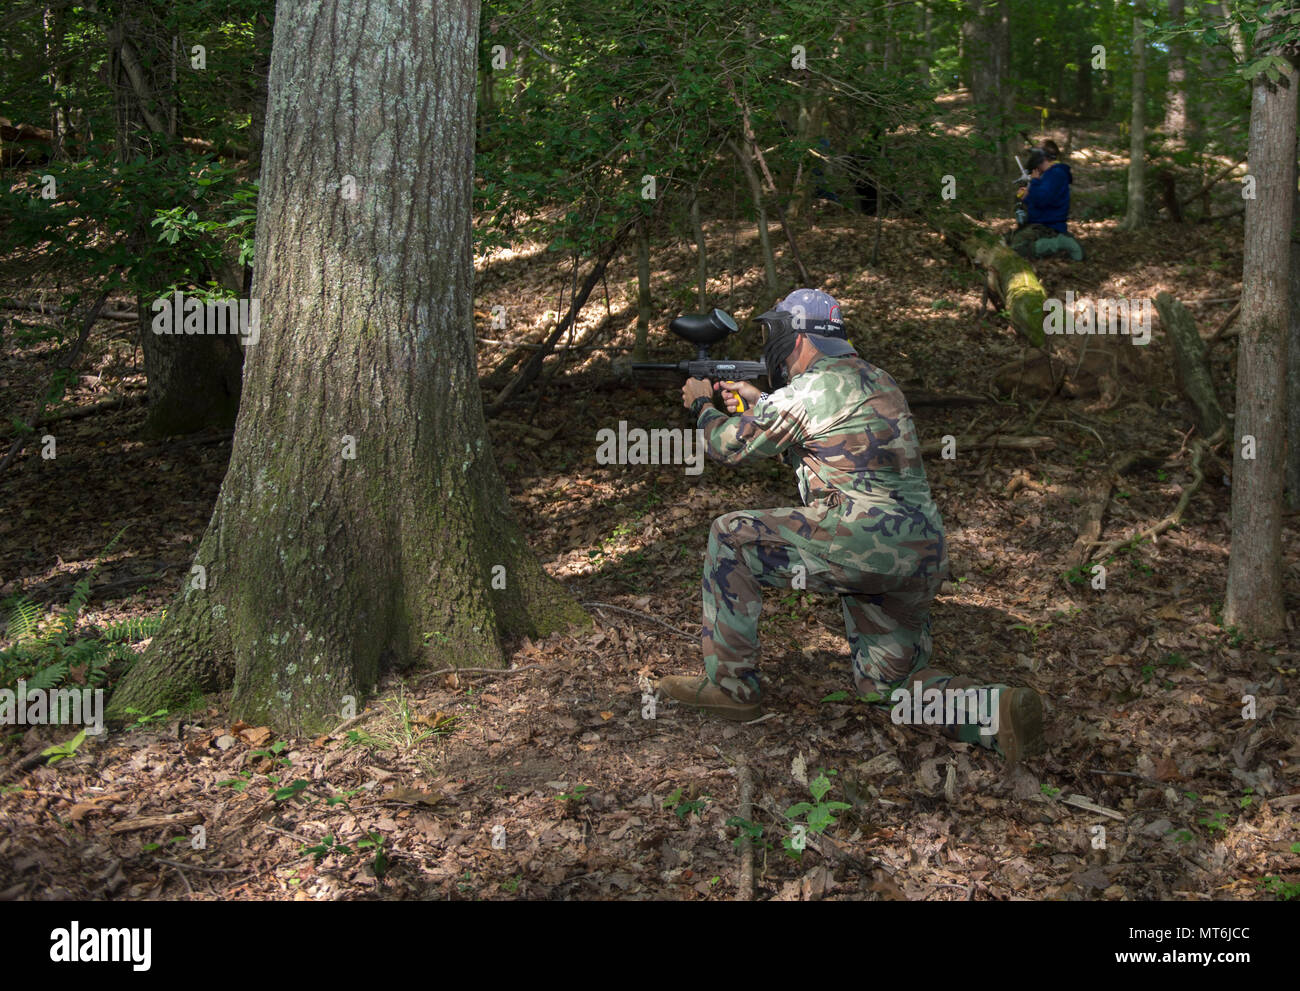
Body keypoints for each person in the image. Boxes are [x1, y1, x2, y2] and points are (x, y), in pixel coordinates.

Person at [657, 289, 1045, 762]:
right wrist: (761, 401)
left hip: (864, 542)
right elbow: (828, 436)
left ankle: (731, 689)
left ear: (796, 338)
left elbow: (728, 445)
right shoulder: (876, 379)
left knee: (731, 536)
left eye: (773, 334)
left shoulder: (812, 389)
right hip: (919, 552)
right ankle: (995, 710)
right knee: (886, 686)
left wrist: (702, 406)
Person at [1011, 143, 1083, 261]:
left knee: (1016, 250)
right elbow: (1040, 198)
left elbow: (1042, 200)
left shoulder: (1055, 174)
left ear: (1042, 157)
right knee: (1008, 241)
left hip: (1048, 226)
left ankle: (1059, 243)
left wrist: (1034, 183)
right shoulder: (1048, 174)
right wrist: (1027, 194)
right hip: (1038, 222)